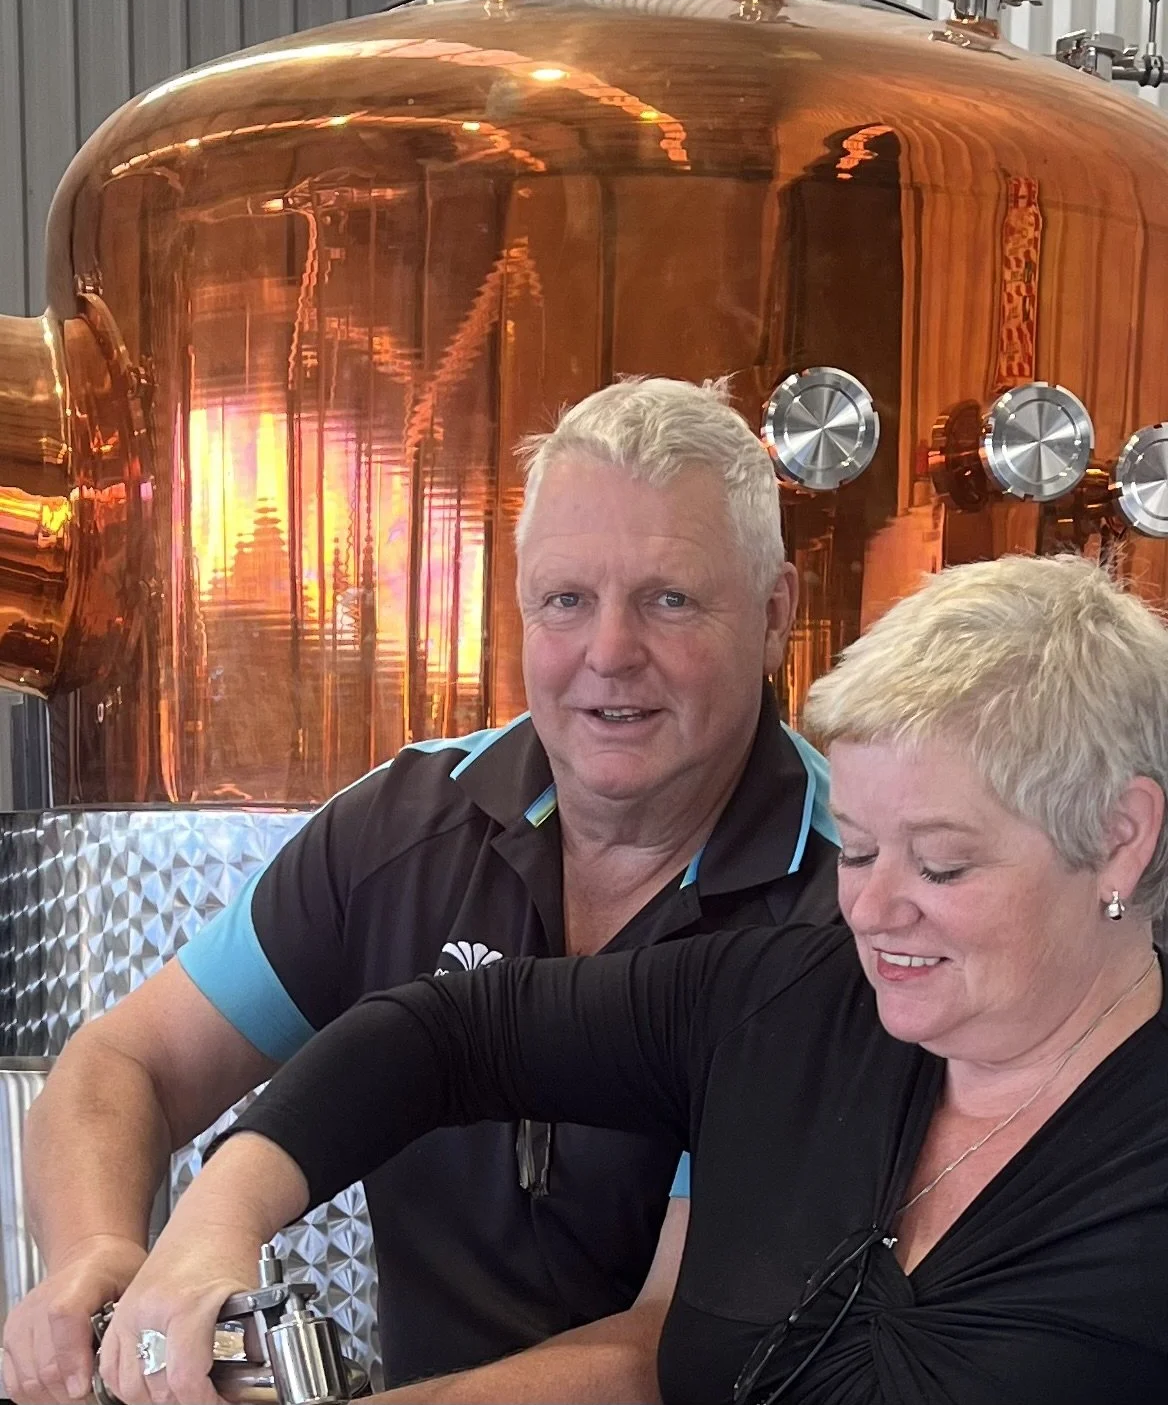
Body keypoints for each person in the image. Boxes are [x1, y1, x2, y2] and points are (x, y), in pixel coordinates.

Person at [99, 552, 1168, 1405]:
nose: (874, 910)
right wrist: (211, 1227)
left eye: (941, 863)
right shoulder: (781, 1006)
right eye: (853, 850)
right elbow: (443, 1035)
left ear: (1118, 838)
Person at [6, 377, 840, 1405]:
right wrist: (97, 1257)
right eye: (566, 601)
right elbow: (127, 1061)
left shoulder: (854, 904)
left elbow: (668, 1353)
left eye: (669, 600)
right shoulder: (406, 825)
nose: (609, 654)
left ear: (773, 617)